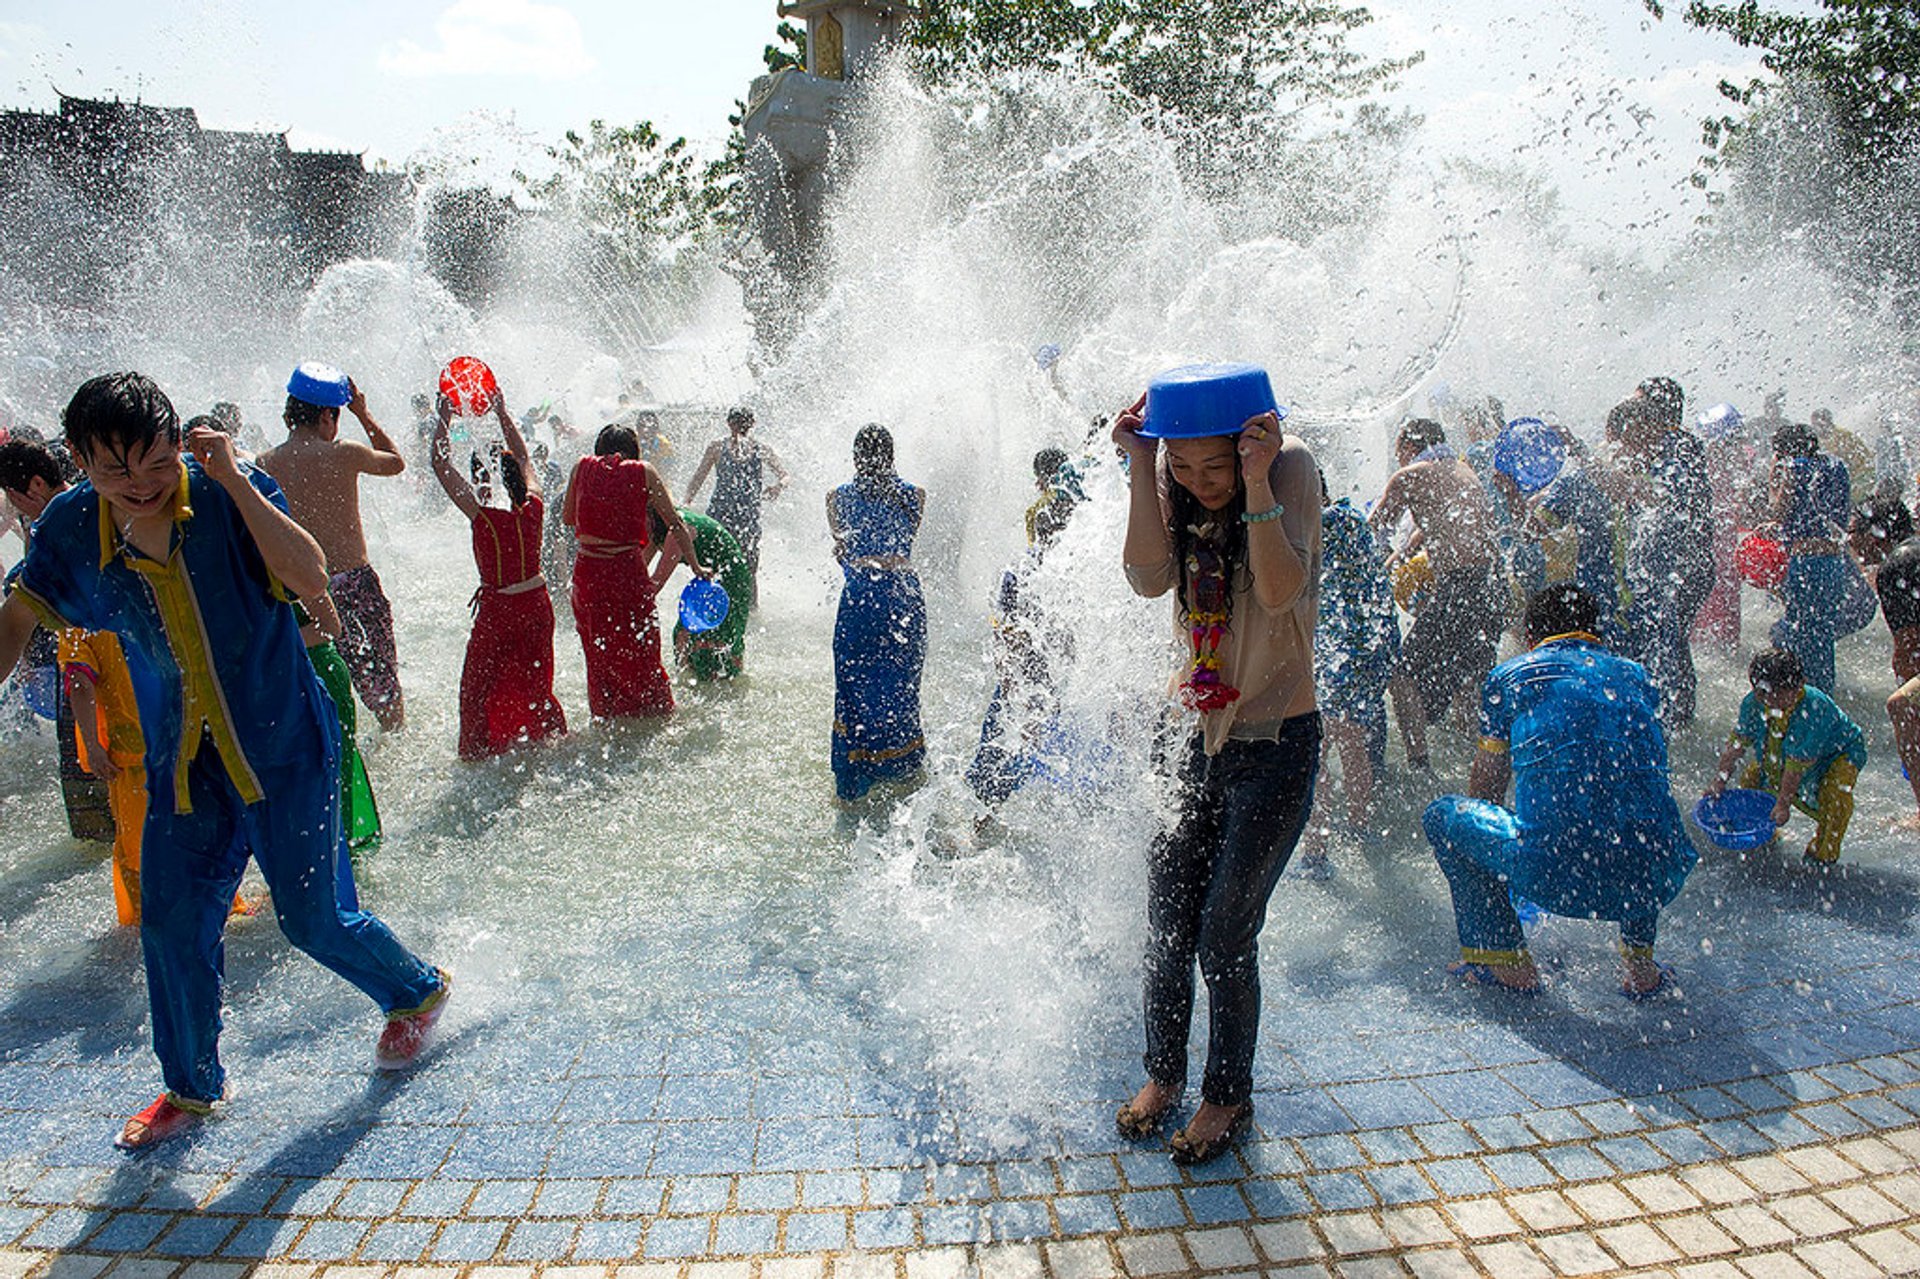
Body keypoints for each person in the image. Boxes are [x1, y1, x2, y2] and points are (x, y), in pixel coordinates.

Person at [0, 373, 449, 1151]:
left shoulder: (223, 492)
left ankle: (415, 991)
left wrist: (236, 479)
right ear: (79, 461)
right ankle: (192, 1085)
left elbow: (310, 576)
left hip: (284, 743)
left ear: (181, 441)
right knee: (171, 924)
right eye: (115, 470)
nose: (139, 485)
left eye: (155, 462)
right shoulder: (71, 528)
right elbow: (16, 620)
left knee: (310, 920)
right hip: (184, 760)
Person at [1110, 381, 1321, 1166]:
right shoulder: (1173, 481)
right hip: (1192, 734)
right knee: (1168, 923)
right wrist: (1140, 468)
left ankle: (1226, 1094)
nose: (1201, 483)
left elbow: (1278, 587)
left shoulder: (1289, 469)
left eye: (1215, 467)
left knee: (1225, 931)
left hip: (1275, 740)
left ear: (1248, 443)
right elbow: (1146, 578)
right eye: (1183, 467)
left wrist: (1257, 480)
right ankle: (1163, 1075)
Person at [1422, 584, 1695, 997]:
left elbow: (1486, 792)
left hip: (1556, 876)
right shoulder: (1637, 676)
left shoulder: (1510, 676)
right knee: (1641, 813)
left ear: (1531, 636)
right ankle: (1641, 967)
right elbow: (1647, 780)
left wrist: (1500, 864)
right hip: (1655, 876)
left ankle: (1508, 964)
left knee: (1444, 817)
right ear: (1596, 634)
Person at [258, 364, 410, 731]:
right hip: (355, 584)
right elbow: (396, 463)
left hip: (304, 592)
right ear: (328, 415)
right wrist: (363, 413)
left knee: (326, 681)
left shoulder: (265, 465)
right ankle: (394, 737)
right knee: (383, 684)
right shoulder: (345, 453)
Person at [430, 392, 569, 759]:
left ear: (481, 480)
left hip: (499, 610)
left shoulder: (483, 518)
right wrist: (502, 411)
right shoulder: (534, 507)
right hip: (538, 607)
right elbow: (523, 457)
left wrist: (445, 417)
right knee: (536, 683)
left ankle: (479, 751)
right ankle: (543, 742)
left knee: (476, 687)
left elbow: (440, 466)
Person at [1369, 418, 1501, 768]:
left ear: (1409, 448)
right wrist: (1403, 553)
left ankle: (1419, 764)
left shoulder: (1411, 476)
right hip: (1491, 585)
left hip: (1459, 586)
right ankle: (1475, 756)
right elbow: (1446, 523)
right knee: (1468, 675)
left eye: (1399, 451)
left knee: (1400, 674)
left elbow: (1372, 530)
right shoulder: (1461, 469)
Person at [0, 436, 113, 842]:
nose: (17, 511)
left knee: (103, 813)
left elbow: (15, 625)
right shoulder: (104, 502)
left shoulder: (56, 529)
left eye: (14, 499)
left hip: (92, 677)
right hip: (115, 678)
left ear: (33, 487)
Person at [965, 451, 1080, 814]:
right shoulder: (1076, 572)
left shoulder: (1022, 573)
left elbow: (1007, 636)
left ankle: (983, 819)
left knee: (1002, 742)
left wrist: (1009, 678)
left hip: (1030, 677)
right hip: (1057, 679)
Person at [563, 423, 704, 719]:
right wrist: (695, 566)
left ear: (599, 449)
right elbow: (676, 523)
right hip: (626, 571)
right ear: (633, 451)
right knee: (641, 644)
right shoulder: (644, 471)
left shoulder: (580, 467)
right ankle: (652, 711)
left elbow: (567, 519)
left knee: (597, 647)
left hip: (588, 573)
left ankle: (605, 712)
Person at [1299, 474, 1398, 872]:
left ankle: (1315, 852)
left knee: (1319, 747)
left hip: (1341, 653)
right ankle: (1359, 827)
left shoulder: (1320, 524)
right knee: (1351, 740)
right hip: (1368, 649)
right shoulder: (1351, 518)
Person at [1607, 377, 1714, 728]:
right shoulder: (1680, 444)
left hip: (1682, 564)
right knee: (1670, 637)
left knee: (1667, 637)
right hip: (1684, 561)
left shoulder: (1675, 447)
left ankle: (1673, 714)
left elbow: (1664, 502)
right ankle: (1675, 712)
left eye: (1640, 402)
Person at [828, 424, 928, 802]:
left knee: (854, 687)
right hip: (902, 597)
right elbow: (905, 543)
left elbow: (845, 552)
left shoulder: (835, 499)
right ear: (892, 456)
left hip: (860, 599)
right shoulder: (915, 496)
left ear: (855, 457)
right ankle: (903, 774)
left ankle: (855, 776)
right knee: (901, 687)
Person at [1709, 648, 1865, 866]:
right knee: (1752, 780)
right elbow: (1736, 746)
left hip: (1837, 753)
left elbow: (1795, 768)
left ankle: (1822, 854)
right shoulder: (1753, 703)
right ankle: (1765, 834)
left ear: (1799, 685)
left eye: (1777, 694)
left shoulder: (1814, 708)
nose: (1769, 700)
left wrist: (1783, 804)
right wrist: (1719, 781)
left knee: (1834, 794)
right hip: (1788, 750)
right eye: (1762, 693)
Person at [59, 627, 145, 925]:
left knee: (136, 853)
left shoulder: (76, 620)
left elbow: (80, 683)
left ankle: (143, 925)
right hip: (176, 741)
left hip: (129, 755)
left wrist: (93, 745)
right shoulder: (146, 588)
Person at [1767, 421, 1855, 693]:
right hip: (1833, 562)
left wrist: (1774, 479)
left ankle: (1799, 696)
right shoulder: (1836, 466)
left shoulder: (1795, 467)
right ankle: (1823, 696)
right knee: (1821, 634)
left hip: (1805, 562)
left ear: (1783, 451)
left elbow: (1779, 510)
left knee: (1798, 631)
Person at [295, 592, 382, 866]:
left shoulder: (289, 551)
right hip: (271, 677)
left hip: (317, 675)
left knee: (326, 782)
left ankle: (334, 870)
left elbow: (329, 626)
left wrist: (266, 642)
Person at [1849, 496, 1920, 831]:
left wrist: (1903, 677)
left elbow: (1909, 648)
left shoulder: (1896, 566)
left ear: (1876, 534)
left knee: (1902, 707)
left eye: (1853, 532)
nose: (1848, 541)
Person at [685, 406, 789, 586]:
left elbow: (785, 475)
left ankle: (752, 610)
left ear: (752, 424)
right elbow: (698, 477)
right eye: (737, 422)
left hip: (748, 517)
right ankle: (715, 608)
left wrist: (778, 486)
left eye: (745, 422)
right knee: (715, 564)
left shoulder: (761, 449)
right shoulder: (717, 447)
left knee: (750, 568)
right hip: (719, 514)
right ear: (729, 423)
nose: (741, 426)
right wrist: (686, 501)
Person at [652, 507, 754, 681]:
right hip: (710, 581)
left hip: (732, 579)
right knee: (683, 634)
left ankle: (734, 686)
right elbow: (637, 572)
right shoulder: (656, 528)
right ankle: (686, 682)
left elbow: (656, 583)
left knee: (722, 639)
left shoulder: (678, 528)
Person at [1694, 402, 1751, 652]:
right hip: (1716, 535)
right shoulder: (1715, 459)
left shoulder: (1709, 459)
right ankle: (1721, 640)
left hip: (1717, 535)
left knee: (1721, 583)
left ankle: (1719, 640)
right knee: (1722, 584)